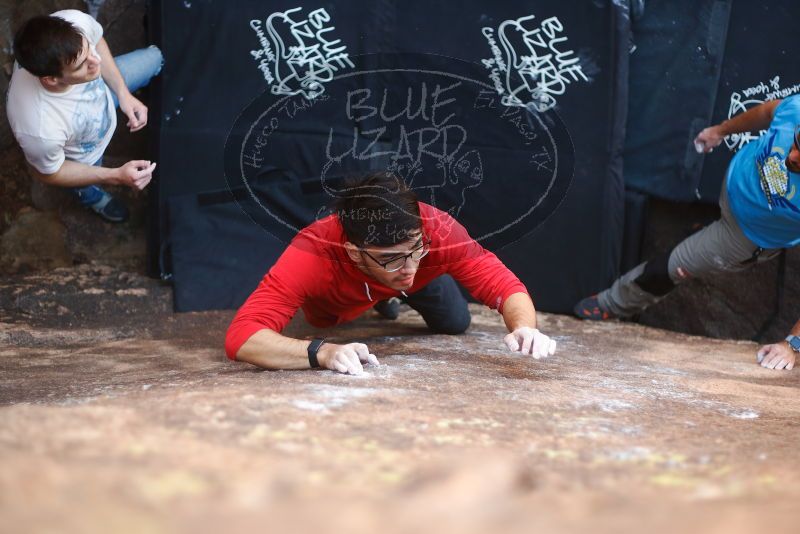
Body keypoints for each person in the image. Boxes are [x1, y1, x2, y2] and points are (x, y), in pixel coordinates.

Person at [225, 172, 557, 375]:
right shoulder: (311, 252)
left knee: (456, 322)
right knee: (323, 323)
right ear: (355, 252)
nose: (409, 268)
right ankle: (380, 301)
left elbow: (504, 284)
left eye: (417, 250)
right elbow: (241, 337)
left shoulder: (437, 230)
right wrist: (321, 353)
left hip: (423, 285)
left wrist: (525, 328)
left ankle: (392, 293)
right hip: (337, 304)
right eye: (392, 258)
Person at [574, 95, 800, 371]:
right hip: (735, 183)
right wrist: (722, 130)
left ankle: (613, 303)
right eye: (797, 142)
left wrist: (792, 344)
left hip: (743, 234)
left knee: (672, 266)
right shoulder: (797, 110)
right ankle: (706, 229)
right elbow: (767, 111)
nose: (792, 157)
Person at [7, 9, 163, 223]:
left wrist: (123, 94)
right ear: (51, 79)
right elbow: (48, 173)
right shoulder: (40, 129)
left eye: (88, 49)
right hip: (85, 153)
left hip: (105, 93)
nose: (96, 61)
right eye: (82, 65)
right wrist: (116, 176)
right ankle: (94, 199)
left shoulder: (73, 22)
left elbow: (97, 41)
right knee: (86, 185)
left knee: (155, 58)